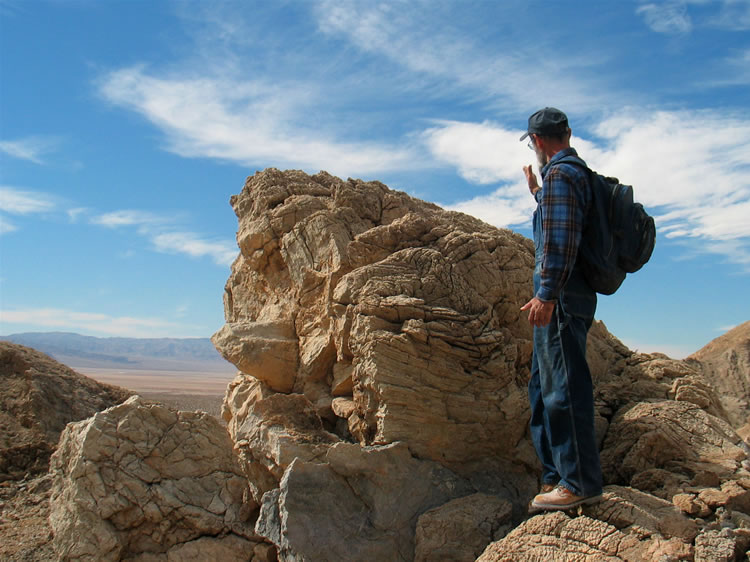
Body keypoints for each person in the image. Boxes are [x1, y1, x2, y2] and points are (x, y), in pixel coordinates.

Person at [519, 107, 603, 511]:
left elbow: (561, 240)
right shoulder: (567, 177)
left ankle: (578, 482)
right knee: (543, 384)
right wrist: (537, 193)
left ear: (536, 141)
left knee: (562, 387)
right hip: (567, 294)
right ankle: (556, 474)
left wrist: (547, 294)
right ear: (567, 133)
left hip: (562, 297)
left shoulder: (562, 177)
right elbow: (562, 219)